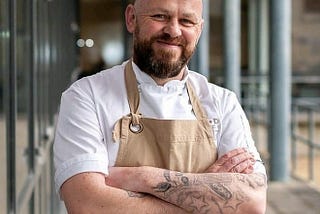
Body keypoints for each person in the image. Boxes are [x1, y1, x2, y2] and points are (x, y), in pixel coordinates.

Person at [53, 0, 267, 213]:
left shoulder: (223, 102)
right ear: (131, 18)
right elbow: (88, 205)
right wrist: (208, 195)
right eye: (160, 17)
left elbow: (253, 203)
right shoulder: (85, 96)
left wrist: (139, 177)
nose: (173, 31)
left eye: (186, 21)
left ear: (199, 29)